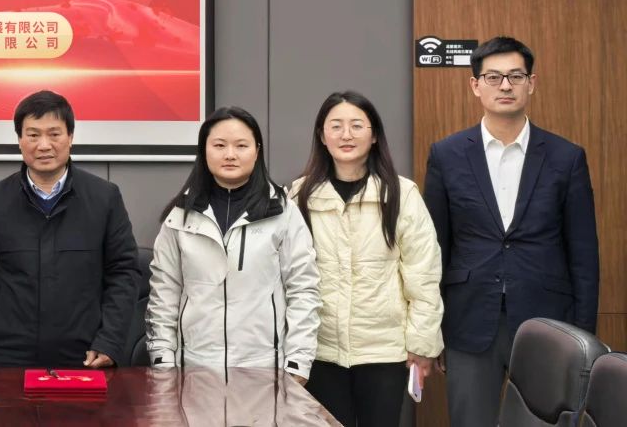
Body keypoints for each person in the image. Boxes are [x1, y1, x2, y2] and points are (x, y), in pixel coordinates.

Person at [424, 36, 598, 427]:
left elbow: (584, 255)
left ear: (531, 83)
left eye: (515, 76)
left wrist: (584, 336)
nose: (505, 85)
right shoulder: (447, 155)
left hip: (549, 323)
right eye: (494, 77)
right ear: (475, 85)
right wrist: (431, 329)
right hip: (468, 321)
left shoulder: (566, 157)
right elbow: (434, 249)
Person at [288, 91, 443, 426]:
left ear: (374, 136)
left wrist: (422, 344)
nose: (346, 134)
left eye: (357, 126)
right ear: (322, 135)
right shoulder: (300, 195)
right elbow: (289, 277)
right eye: (336, 126)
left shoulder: (401, 193)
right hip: (320, 349)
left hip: (384, 350)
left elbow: (423, 275)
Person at [0, 90, 139, 368]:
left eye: (54, 134)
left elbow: (124, 274)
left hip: (84, 356)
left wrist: (109, 342)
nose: (44, 145)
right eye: (33, 135)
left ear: (71, 137)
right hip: (8, 358)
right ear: (20, 140)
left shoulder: (104, 198)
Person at [145, 106, 321, 383]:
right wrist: (163, 360)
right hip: (194, 368)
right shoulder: (181, 216)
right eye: (219, 145)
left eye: (241, 145)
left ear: (257, 151)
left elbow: (303, 289)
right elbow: (164, 292)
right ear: (204, 150)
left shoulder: (282, 212)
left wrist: (298, 363)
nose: (230, 154)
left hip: (265, 369)